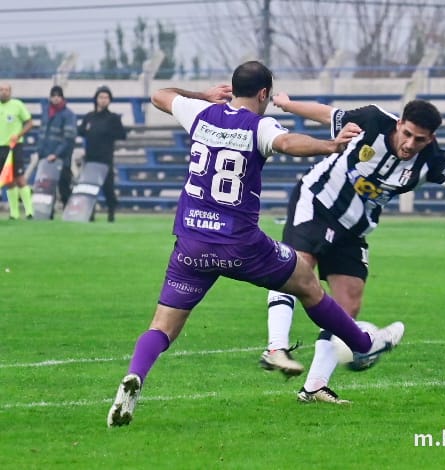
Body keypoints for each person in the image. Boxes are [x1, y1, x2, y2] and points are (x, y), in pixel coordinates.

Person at [107, 61, 405, 427]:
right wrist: (329, 145)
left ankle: (135, 375)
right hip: (240, 245)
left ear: (232, 89)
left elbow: (159, 95)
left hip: (191, 243)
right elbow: (287, 142)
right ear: (264, 93)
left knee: (162, 327)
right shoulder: (259, 125)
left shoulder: (200, 112)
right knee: (308, 284)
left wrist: (202, 94)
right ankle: (362, 345)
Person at [261, 93, 445, 404]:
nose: (410, 144)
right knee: (296, 269)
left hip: (354, 228)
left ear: (430, 138)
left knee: (349, 304)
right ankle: (275, 348)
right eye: (407, 134)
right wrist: (288, 104)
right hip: (318, 201)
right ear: (399, 123)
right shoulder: (373, 120)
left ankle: (314, 387)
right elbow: (327, 114)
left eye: (420, 139)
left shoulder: (430, 158)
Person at [77, 85, 127, 222]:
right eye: (101, 97)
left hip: (105, 158)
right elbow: (80, 131)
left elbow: (122, 134)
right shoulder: (89, 117)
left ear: (110, 100)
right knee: (89, 187)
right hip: (90, 157)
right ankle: (90, 213)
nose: (103, 100)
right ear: (96, 99)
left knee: (108, 187)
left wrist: (108, 133)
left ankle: (111, 212)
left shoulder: (113, 118)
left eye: (106, 97)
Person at [36, 85, 77, 212]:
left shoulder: (69, 115)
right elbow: (42, 134)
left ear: (62, 98)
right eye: (53, 96)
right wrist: (40, 151)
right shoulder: (46, 112)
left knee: (64, 186)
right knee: (46, 188)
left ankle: (69, 211)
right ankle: (47, 213)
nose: (56, 98)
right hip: (45, 156)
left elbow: (69, 139)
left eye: (59, 96)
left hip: (62, 158)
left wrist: (56, 154)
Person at [0, 82, 34, 219]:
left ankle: (29, 211)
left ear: (10, 92)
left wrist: (18, 135)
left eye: (6, 90)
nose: (3, 92)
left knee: (20, 178)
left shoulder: (17, 105)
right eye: (1, 90)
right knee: (8, 180)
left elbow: (29, 123)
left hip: (14, 146)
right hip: (1, 147)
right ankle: (14, 213)